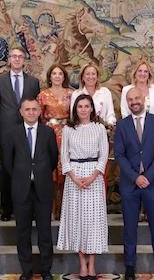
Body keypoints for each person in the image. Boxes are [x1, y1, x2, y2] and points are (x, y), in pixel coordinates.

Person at [114, 87, 154, 280]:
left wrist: (148, 175)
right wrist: (135, 177)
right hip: (130, 184)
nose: (134, 102)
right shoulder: (122, 125)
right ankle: (129, 267)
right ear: (127, 102)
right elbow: (119, 155)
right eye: (130, 100)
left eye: (137, 98)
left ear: (144, 99)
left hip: (153, 183)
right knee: (130, 228)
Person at [0, 98, 58, 280]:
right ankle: (26, 270)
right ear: (21, 112)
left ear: (39, 111)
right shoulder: (12, 133)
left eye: (34, 109)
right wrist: (23, 175)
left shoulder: (48, 133)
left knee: (44, 232)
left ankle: (46, 269)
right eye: (28, 109)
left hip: (43, 188)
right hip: (21, 188)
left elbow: (53, 159)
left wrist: (39, 173)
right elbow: (8, 163)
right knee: (22, 232)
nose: (31, 112)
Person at [56, 94, 109, 280]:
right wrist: (74, 177)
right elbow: (64, 157)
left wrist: (94, 175)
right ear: (75, 109)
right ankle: (82, 265)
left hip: (94, 175)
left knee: (93, 221)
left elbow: (104, 155)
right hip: (74, 176)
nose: (84, 110)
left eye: (87, 106)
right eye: (80, 106)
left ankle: (92, 264)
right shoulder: (69, 129)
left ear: (92, 109)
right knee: (77, 219)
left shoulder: (100, 128)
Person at [0, 46, 40, 221]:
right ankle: (6, 209)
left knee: (28, 170)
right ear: (9, 60)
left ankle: (28, 209)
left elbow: (36, 109)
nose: (17, 59)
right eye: (14, 56)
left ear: (24, 60)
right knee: (7, 171)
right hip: (6, 134)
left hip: (28, 132)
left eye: (20, 56)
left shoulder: (33, 82)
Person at [37, 64, 74, 220]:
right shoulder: (43, 95)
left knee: (66, 170)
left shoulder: (71, 94)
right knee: (50, 171)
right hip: (49, 134)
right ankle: (51, 210)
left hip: (68, 133)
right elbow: (38, 117)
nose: (57, 76)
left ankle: (65, 210)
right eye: (54, 73)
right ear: (50, 77)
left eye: (60, 74)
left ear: (64, 76)